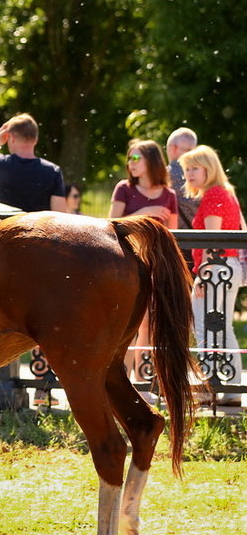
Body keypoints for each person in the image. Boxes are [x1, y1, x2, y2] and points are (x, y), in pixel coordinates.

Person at [109, 139, 178, 384]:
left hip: (156, 265)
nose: (131, 163)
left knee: (150, 324)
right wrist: (141, 216)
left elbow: (174, 233)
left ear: (152, 160)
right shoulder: (124, 189)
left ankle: (144, 380)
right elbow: (110, 225)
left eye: (136, 157)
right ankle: (122, 378)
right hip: (127, 265)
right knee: (128, 324)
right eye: (130, 158)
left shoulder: (169, 195)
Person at [180, 145, 243, 406]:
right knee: (221, 326)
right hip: (226, 267)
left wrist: (202, 275)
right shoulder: (225, 192)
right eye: (186, 170)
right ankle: (231, 390)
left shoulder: (215, 194)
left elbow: (212, 240)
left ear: (209, 167)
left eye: (195, 168)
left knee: (206, 326)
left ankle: (210, 388)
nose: (189, 175)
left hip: (217, 269)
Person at [0, 113, 67, 213]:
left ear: (12, 138)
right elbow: (59, 214)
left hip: (6, 226)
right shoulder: (53, 171)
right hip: (39, 227)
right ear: (36, 140)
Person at [166, 127, 199, 229]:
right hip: (206, 239)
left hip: (182, 239)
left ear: (172, 148)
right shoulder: (204, 175)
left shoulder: (165, 175)